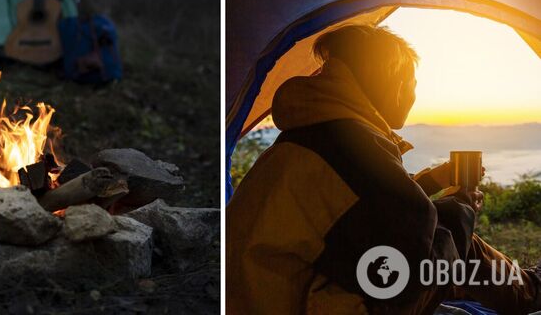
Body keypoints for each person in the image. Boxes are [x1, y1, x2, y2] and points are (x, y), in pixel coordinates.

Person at [226, 24, 541, 315]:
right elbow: (407, 274)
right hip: (301, 304)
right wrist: (463, 208)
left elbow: (361, 208)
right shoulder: (357, 150)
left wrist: (432, 181)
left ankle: (525, 286)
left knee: (441, 232)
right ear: (393, 81)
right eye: (412, 83)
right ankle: (531, 290)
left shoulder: (318, 132)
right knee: (454, 236)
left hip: (259, 295)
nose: (414, 96)